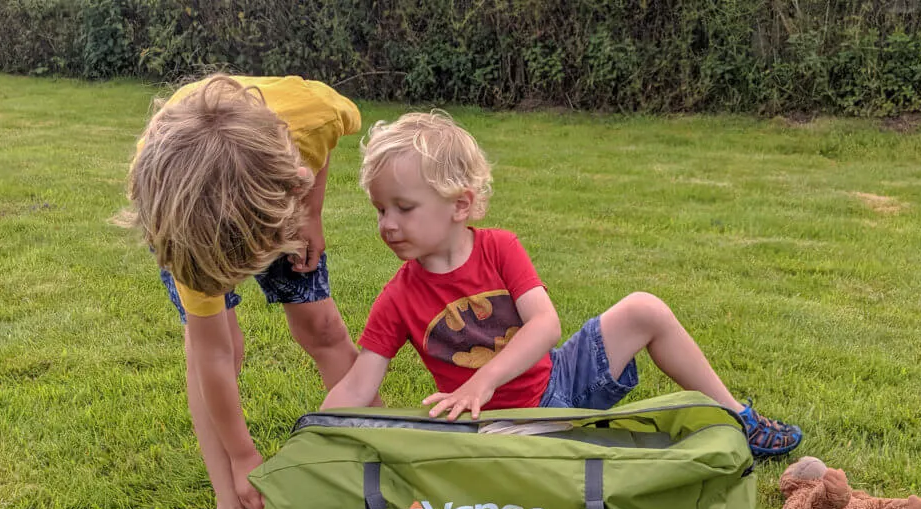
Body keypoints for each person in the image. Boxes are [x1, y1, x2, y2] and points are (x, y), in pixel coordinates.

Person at [321, 111, 802, 457]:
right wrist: (314, 432)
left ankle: (737, 417)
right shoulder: (399, 296)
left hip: (558, 386)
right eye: (380, 210)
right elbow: (361, 381)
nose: (387, 224)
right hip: (488, 427)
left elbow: (545, 325)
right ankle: (559, 448)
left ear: (460, 205)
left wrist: (483, 380)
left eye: (403, 208)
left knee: (644, 308)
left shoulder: (499, 248)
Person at [117, 74, 367, 509]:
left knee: (321, 326)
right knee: (217, 343)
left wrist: (310, 214)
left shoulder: (312, 113)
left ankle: (377, 460)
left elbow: (323, 145)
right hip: (193, 209)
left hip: (269, 200)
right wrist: (243, 457)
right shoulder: (186, 226)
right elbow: (213, 356)